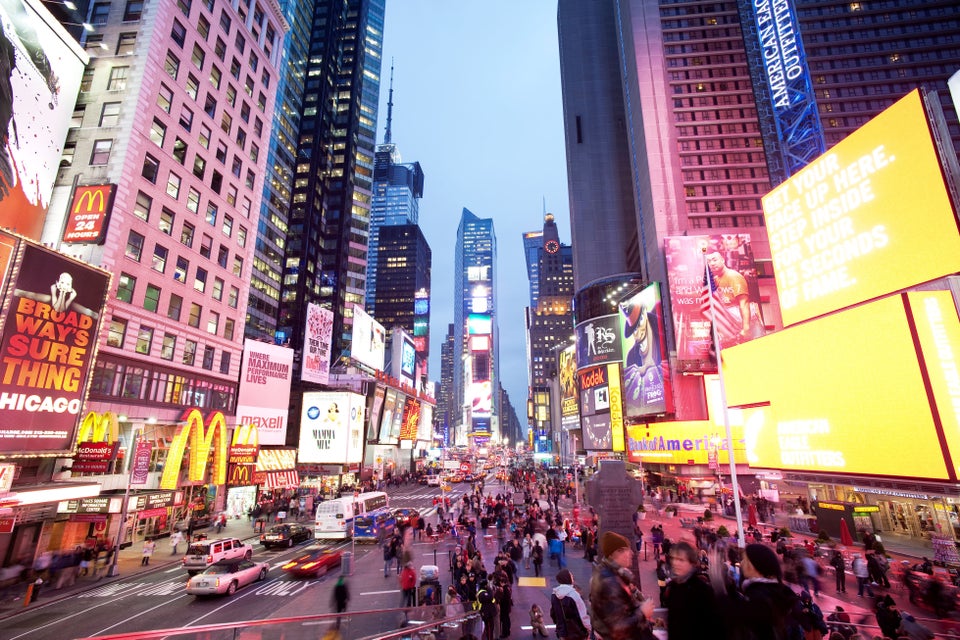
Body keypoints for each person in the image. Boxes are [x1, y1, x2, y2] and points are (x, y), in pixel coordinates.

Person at [708, 543, 799, 640]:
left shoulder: (761, 597)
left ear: (755, 565)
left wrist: (719, 587)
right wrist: (729, 587)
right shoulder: (774, 590)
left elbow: (735, 616)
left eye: (745, 560)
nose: (741, 563)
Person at [589, 531, 656, 640]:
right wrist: (642, 612)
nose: (632, 553)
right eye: (627, 550)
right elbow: (617, 628)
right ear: (615, 553)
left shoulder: (609, 574)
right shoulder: (610, 582)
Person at [663, 540, 718, 640]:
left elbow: (713, 626)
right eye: (674, 559)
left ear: (691, 563)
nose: (675, 563)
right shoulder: (673, 587)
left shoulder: (702, 590)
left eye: (681, 560)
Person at [704, 250, 755, 347]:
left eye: (714, 260)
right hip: (732, 326)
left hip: (742, 323)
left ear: (723, 260)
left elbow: (744, 303)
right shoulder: (716, 279)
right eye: (709, 262)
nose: (712, 263)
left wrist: (746, 328)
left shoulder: (733, 276)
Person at [550, 568, 591, 640]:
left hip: (562, 632)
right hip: (576, 632)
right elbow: (582, 616)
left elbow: (553, 613)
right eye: (571, 576)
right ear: (567, 578)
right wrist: (589, 629)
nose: (572, 578)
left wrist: (559, 625)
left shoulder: (554, 594)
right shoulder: (574, 595)